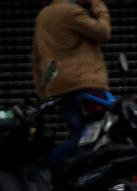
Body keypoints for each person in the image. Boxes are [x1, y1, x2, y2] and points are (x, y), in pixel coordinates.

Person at [31, 0, 112, 171]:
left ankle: (64, 175)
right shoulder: (71, 12)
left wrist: (43, 88)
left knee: (79, 134)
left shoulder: (43, 15)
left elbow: (37, 56)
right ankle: (52, 169)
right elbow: (103, 32)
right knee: (93, 135)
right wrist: (99, 6)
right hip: (85, 84)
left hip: (60, 86)